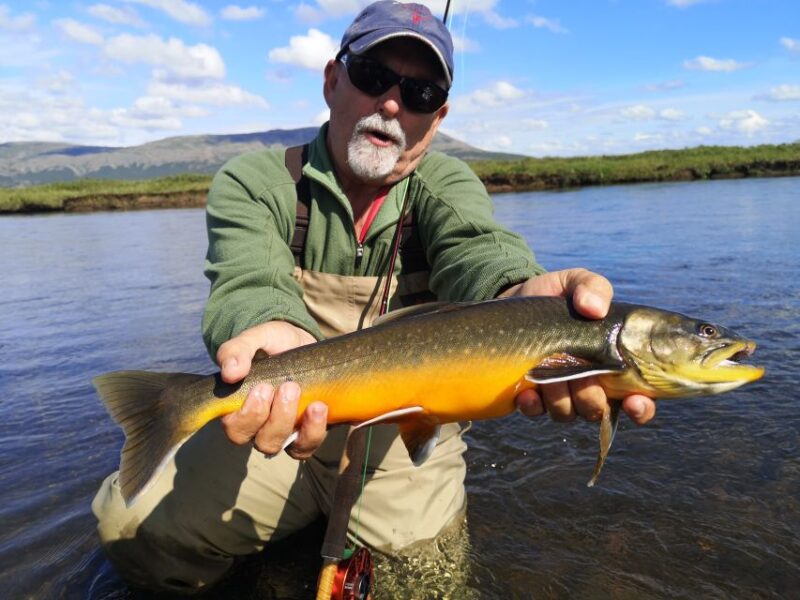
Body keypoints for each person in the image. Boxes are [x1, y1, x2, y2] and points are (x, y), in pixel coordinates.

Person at [93, 1, 656, 593]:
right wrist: (264, 325)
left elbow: (480, 252)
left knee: (424, 583)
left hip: (402, 434)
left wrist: (519, 298)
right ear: (334, 80)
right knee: (131, 529)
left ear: (436, 118)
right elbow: (247, 278)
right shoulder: (256, 181)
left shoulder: (446, 186)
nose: (392, 103)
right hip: (275, 419)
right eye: (372, 77)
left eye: (419, 93)